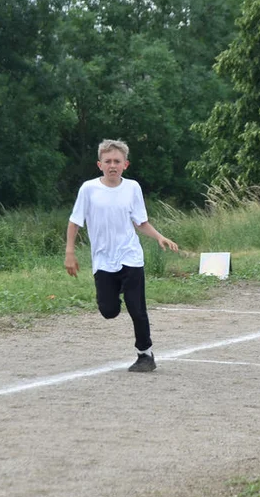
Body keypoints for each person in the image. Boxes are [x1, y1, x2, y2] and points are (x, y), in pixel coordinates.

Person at [65, 139, 179, 372]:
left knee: (137, 308)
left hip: (130, 256)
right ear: (100, 165)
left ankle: (145, 354)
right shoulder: (88, 189)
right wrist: (70, 252)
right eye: (108, 161)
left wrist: (159, 236)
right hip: (103, 260)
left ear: (125, 164)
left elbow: (141, 221)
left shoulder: (132, 188)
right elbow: (74, 222)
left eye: (117, 161)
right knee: (109, 311)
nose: (112, 165)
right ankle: (113, 291)